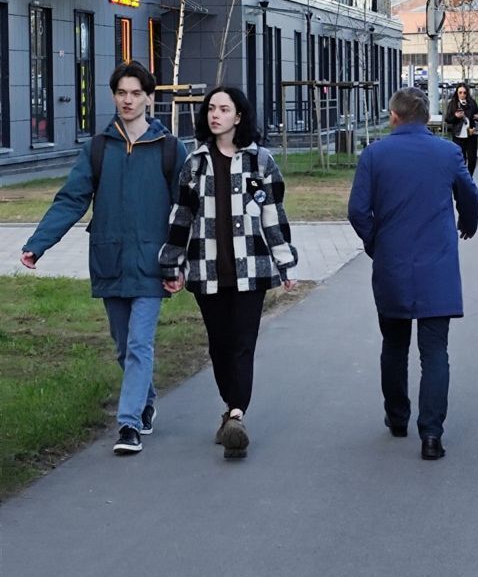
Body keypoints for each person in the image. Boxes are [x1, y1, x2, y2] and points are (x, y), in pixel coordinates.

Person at [20, 61, 187, 455]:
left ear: (149, 97)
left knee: (139, 344)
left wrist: (181, 260)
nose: (128, 100)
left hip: (152, 263)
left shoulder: (169, 149)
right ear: (113, 96)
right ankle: (145, 401)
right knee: (121, 345)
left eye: (135, 93)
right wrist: (38, 244)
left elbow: (186, 209)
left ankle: (128, 425)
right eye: (121, 93)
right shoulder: (97, 148)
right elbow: (72, 199)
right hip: (109, 260)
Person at [158, 86, 297, 460]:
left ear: (239, 117)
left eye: (223, 109)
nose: (214, 115)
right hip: (207, 271)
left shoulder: (261, 161)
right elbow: (181, 218)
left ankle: (237, 414)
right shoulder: (195, 163)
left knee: (242, 343)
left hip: (251, 270)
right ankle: (231, 410)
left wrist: (285, 263)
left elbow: (274, 217)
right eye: (211, 109)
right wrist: (172, 263)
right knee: (219, 345)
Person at [348, 87, 478, 461]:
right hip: (437, 265)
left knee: (394, 344)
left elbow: (358, 210)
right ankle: (432, 435)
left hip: (393, 265)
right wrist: (467, 224)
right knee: (435, 351)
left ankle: (397, 417)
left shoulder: (375, 154)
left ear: (394, 116)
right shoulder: (447, 152)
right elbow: (469, 195)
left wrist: (377, 244)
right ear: (426, 117)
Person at [444, 82, 478, 176]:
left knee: (472, 159)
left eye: (464, 92)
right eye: (460, 92)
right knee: (461, 159)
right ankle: (462, 179)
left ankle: (469, 177)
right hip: (458, 135)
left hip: (471, 134)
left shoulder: (472, 102)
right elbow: (448, 119)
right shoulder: (453, 104)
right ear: (457, 93)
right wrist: (456, 116)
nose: (462, 95)